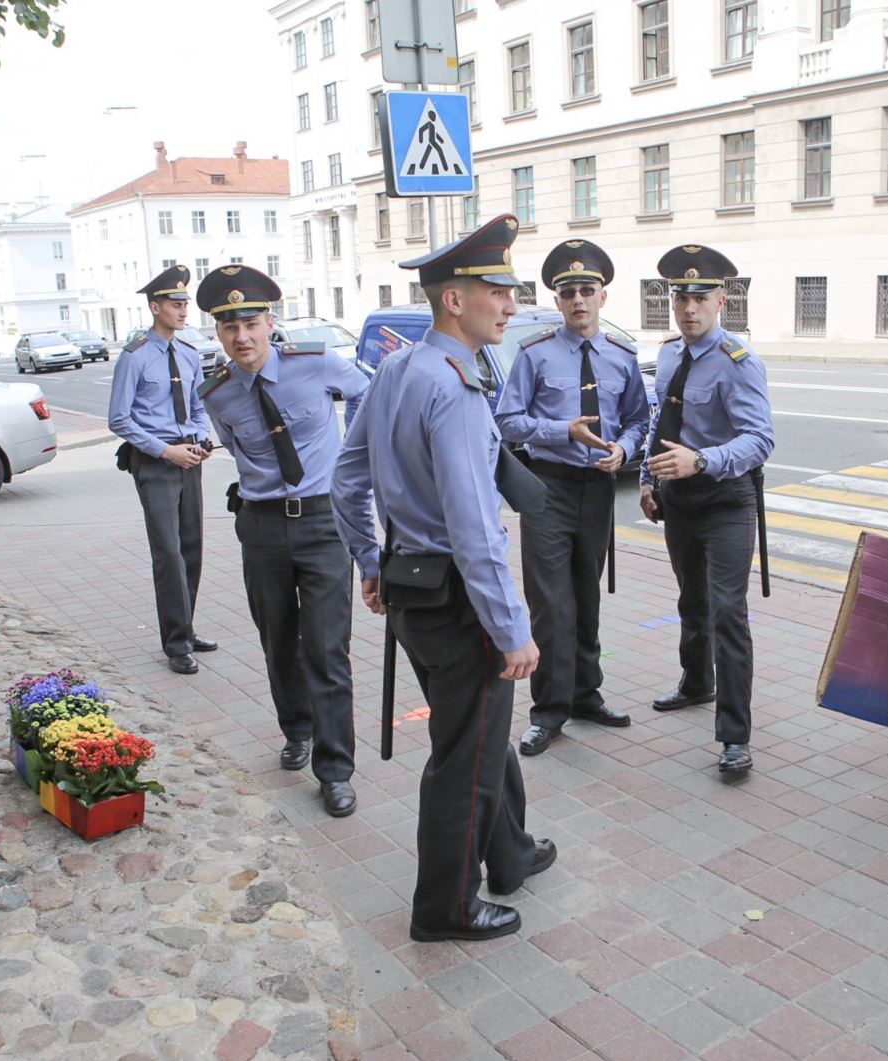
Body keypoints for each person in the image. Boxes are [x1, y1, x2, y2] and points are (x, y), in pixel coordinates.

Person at [332, 213, 555, 943]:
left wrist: (370, 562)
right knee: (464, 757)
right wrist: (511, 628)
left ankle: (510, 849)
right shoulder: (453, 386)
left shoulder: (396, 368)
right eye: (498, 290)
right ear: (453, 299)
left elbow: (346, 480)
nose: (511, 305)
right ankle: (445, 907)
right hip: (459, 600)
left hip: (411, 589)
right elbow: (473, 527)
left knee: (478, 737)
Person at [196, 264, 369, 818]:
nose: (241, 337)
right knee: (278, 641)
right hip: (263, 526)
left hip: (323, 524)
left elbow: (367, 394)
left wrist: (353, 463)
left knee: (326, 647)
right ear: (218, 333)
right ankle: (296, 730)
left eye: (250, 322)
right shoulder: (219, 395)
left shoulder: (316, 364)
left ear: (271, 321)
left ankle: (335, 768)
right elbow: (234, 447)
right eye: (229, 327)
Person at [496, 240, 650, 757]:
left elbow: (638, 420)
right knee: (550, 604)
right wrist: (562, 430)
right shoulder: (535, 354)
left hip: (597, 490)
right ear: (557, 301)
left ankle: (586, 694)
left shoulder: (622, 359)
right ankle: (548, 711)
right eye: (569, 293)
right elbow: (508, 421)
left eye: (587, 290)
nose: (578, 300)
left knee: (585, 597)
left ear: (603, 296)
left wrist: (624, 449)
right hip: (548, 487)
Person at [639, 244, 774, 778]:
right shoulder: (670, 354)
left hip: (725, 501)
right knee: (691, 602)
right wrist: (650, 479)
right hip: (680, 501)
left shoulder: (740, 362)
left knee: (727, 614)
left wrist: (703, 461)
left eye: (700, 298)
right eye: (680, 297)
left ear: (722, 300)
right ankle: (696, 682)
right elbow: (660, 423)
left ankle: (735, 736)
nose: (689, 308)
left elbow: (760, 440)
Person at [107, 265, 216, 675]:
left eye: (185, 302)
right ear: (155, 308)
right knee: (168, 553)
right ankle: (175, 644)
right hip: (155, 464)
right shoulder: (134, 358)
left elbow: (198, 404)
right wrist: (166, 451)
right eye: (175, 304)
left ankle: (185, 629)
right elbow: (119, 419)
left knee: (192, 547)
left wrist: (199, 439)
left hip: (189, 460)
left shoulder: (188, 354)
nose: (183, 309)